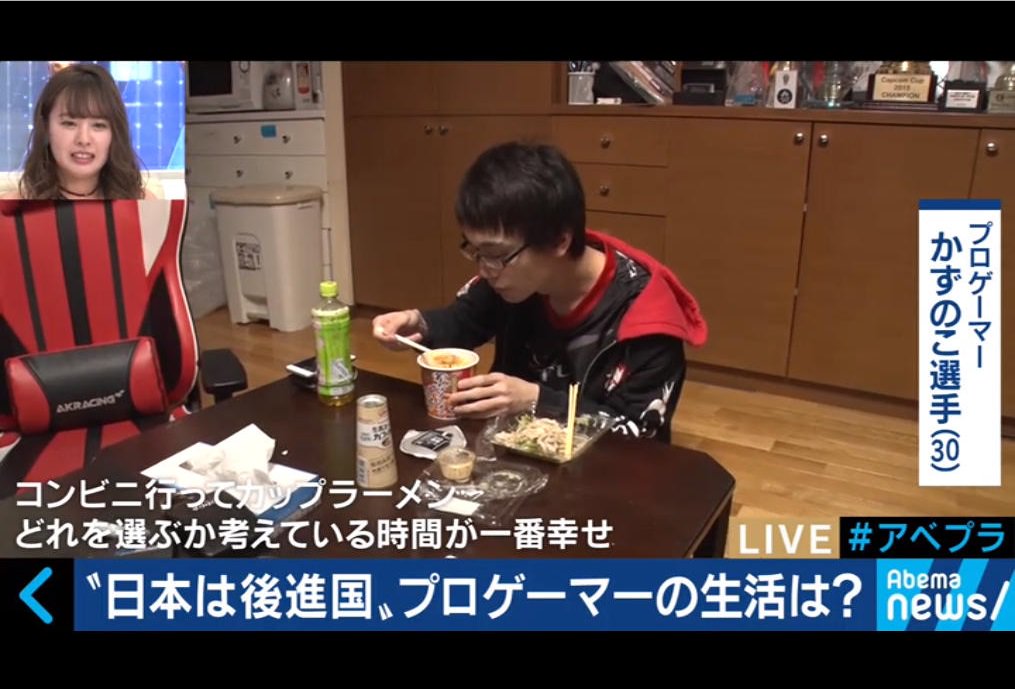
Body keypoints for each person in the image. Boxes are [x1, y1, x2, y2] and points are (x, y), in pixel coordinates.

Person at [373, 142, 708, 443]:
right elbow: (464, 320)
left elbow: (639, 437)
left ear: (559, 241)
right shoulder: (511, 278)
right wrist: (418, 323)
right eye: (475, 251)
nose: (485, 269)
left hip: (605, 476)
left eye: (496, 254)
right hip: (511, 458)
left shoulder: (647, 322)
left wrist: (537, 401)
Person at [4, 63, 155, 200]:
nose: (83, 139)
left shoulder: (142, 202)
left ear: (115, 133)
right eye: (69, 124)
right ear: (46, 128)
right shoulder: (12, 209)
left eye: (98, 125)